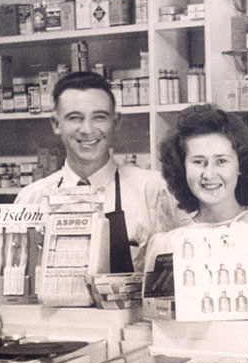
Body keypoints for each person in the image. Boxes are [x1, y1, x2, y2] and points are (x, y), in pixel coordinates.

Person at [15, 71, 187, 272]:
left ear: (116, 121)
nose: (88, 129)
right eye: (75, 118)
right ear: (56, 124)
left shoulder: (155, 190)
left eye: (99, 117)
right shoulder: (32, 198)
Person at [146, 104, 248, 264]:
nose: (209, 174)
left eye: (221, 161)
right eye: (198, 162)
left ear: (241, 165)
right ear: (182, 168)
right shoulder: (165, 246)